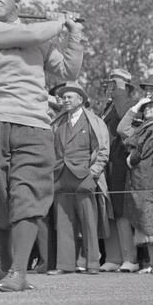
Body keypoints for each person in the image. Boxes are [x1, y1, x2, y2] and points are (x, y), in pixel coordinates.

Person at [0, 0, 84, 292]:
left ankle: (18, 271)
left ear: (16, 2)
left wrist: (74, 35)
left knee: (28, 194)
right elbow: (31, 33)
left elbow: (68, 72)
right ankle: (7, 263)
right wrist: (59, 20)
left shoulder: (41, 38)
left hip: (33, 123)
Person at [46, 82, 110, 275]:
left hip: (84, 176)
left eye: (69, 97)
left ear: (80, 100)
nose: (65, 100)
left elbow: (102, 150)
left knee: (89, 222)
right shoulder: (57, 122)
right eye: (63, 97)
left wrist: (93, 173)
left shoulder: (94, 121)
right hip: (61, 176)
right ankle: (64, 265)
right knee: (63, 222)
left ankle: (92, 264)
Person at [118, 92, 153, 274]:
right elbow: (122, 129)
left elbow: (146, 147)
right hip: (140, 178)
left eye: (151, 106)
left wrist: (130, 159)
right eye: (146, 108)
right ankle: (150, 262)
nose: (148, 110)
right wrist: (135, 107)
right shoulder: (143, 126)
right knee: (143, 220)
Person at [100, 69, 141, 273]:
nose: (110, 87)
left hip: (120, 161)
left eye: (113, 84)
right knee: (110, 209)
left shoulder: (128, 103)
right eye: (110, 84)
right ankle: (113, 256)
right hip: (107, 162)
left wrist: (120, 89)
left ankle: (129, 257)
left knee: (121, 209)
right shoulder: (109, 105)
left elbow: (125, 114)